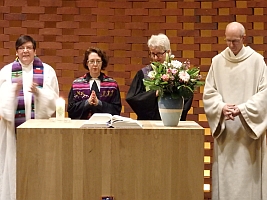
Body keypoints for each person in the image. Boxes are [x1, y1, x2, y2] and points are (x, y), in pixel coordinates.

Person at [203, 22, 267, 200]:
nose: (231, 45)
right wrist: (221, 107)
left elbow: (265, 94)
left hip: (248, 134)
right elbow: (209, 93)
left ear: (244, 39)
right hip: (227, 134)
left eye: (235, 41)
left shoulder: (256, 61)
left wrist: (243, 109)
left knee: (249, 181)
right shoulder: (218, 61)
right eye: (228, 41)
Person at [0, 35, 59, 200]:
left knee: (38, 166)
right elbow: (1, 102)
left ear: (35, 50)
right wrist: (12, 92)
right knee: (12, 166)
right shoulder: (6, 72)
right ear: (16, 52)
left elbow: (54, 102)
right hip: (12, 132)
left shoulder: (47, 71)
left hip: (39, 131)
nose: (25, 51)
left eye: (28, 48)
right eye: (21, 48)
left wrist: (39, 92)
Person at [126, 33, 193, 120]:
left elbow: (187, 96)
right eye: (152, 54)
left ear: (168, 52)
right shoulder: (144, 73)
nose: (155, 58)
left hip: (174, 121)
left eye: (159, 54)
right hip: (149, 122)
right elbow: (133, 98)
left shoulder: (180, 73)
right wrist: (154, 94)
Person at [67, 47, 121, 119]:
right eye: (92, 61)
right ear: (87, 63)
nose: (95, 64)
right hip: (81, 126)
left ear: (102, 63)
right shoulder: (76, 84)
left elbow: (117, 110)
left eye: (98, 61)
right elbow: (71, 110)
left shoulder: (112, 84)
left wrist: (99, 103)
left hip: (105, 126)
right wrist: (87, 103)